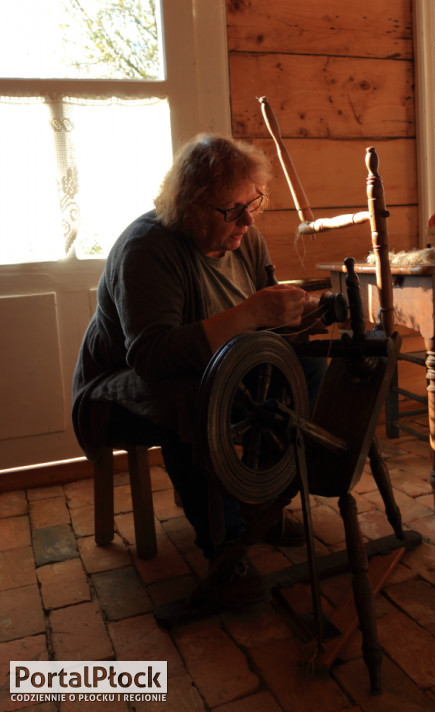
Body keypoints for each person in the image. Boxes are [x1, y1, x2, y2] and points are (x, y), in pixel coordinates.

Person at [72, 133, 324, 607]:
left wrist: (303, 312)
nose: (247, 220)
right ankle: (224, 543)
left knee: (304, 366)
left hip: (217, 368)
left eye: (255, 202)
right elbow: (151, 356)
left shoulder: (245, 240)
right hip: (118, 389)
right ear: (193, 207)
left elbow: (268, 324)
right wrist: (249, 315)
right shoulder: (147, 248)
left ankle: (262, 507)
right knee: (197, 394)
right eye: (232, 210)